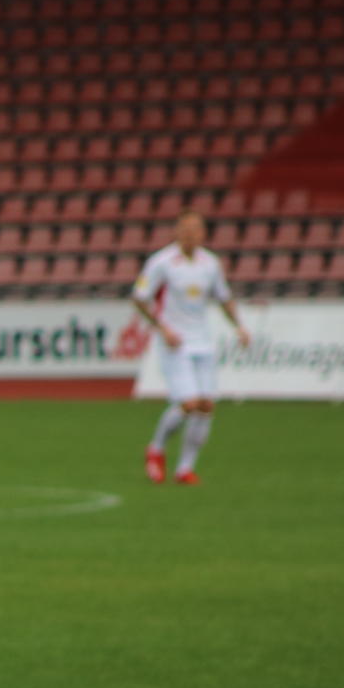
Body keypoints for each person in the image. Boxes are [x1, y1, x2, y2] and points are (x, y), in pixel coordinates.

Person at [135, 208, 253, 486]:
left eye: (194, 229)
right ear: (176, 232)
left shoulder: (210, 264)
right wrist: (163, 328)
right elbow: (140, 298)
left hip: (203, 341)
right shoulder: (161, 262)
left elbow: (224, 298)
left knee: (206, 405)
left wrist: (239, 326)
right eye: (184, 229)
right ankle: (156, 449)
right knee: (189, 403)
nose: (189, 234)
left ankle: (184, 469)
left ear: (202, 233)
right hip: (175, 342)